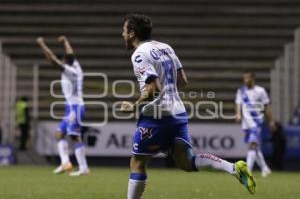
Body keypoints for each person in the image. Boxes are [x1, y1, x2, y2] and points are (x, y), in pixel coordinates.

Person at [120, 14, 256, 199]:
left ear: (132, 33)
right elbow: (183, 81)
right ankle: (234, 168)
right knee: (187, 162)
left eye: (124, 31)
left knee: (137, 163)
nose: (122, 34)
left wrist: (134, 106)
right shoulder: (165, 47)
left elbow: (153, 88)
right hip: (178, 113)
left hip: (156, 116)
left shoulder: (139, 55)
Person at [36, 35, 89, 176]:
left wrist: (42, 45)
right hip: (71, 107)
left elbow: (53, 60)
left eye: (63, 59)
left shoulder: (69, 71)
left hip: (75, 108)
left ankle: (84, 168)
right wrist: (66, 41)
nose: (62, 60)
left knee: (74, 136)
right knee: (59, 134)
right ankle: (65, 162)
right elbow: (70, 53)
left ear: (66, 61)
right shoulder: (76, 65)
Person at [235, 71, 275, 177]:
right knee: (256, 147)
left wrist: (271, 121)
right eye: (244, 79)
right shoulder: (241, 91)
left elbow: (267, 106)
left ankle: (248, 171)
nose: (245, 80)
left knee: (252, 144)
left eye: (247, 78)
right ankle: (265, 168)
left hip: (256, 122)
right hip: (246, 123)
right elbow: (238, 104)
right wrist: (238, 115)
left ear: (252, 79)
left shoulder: (260, 91)